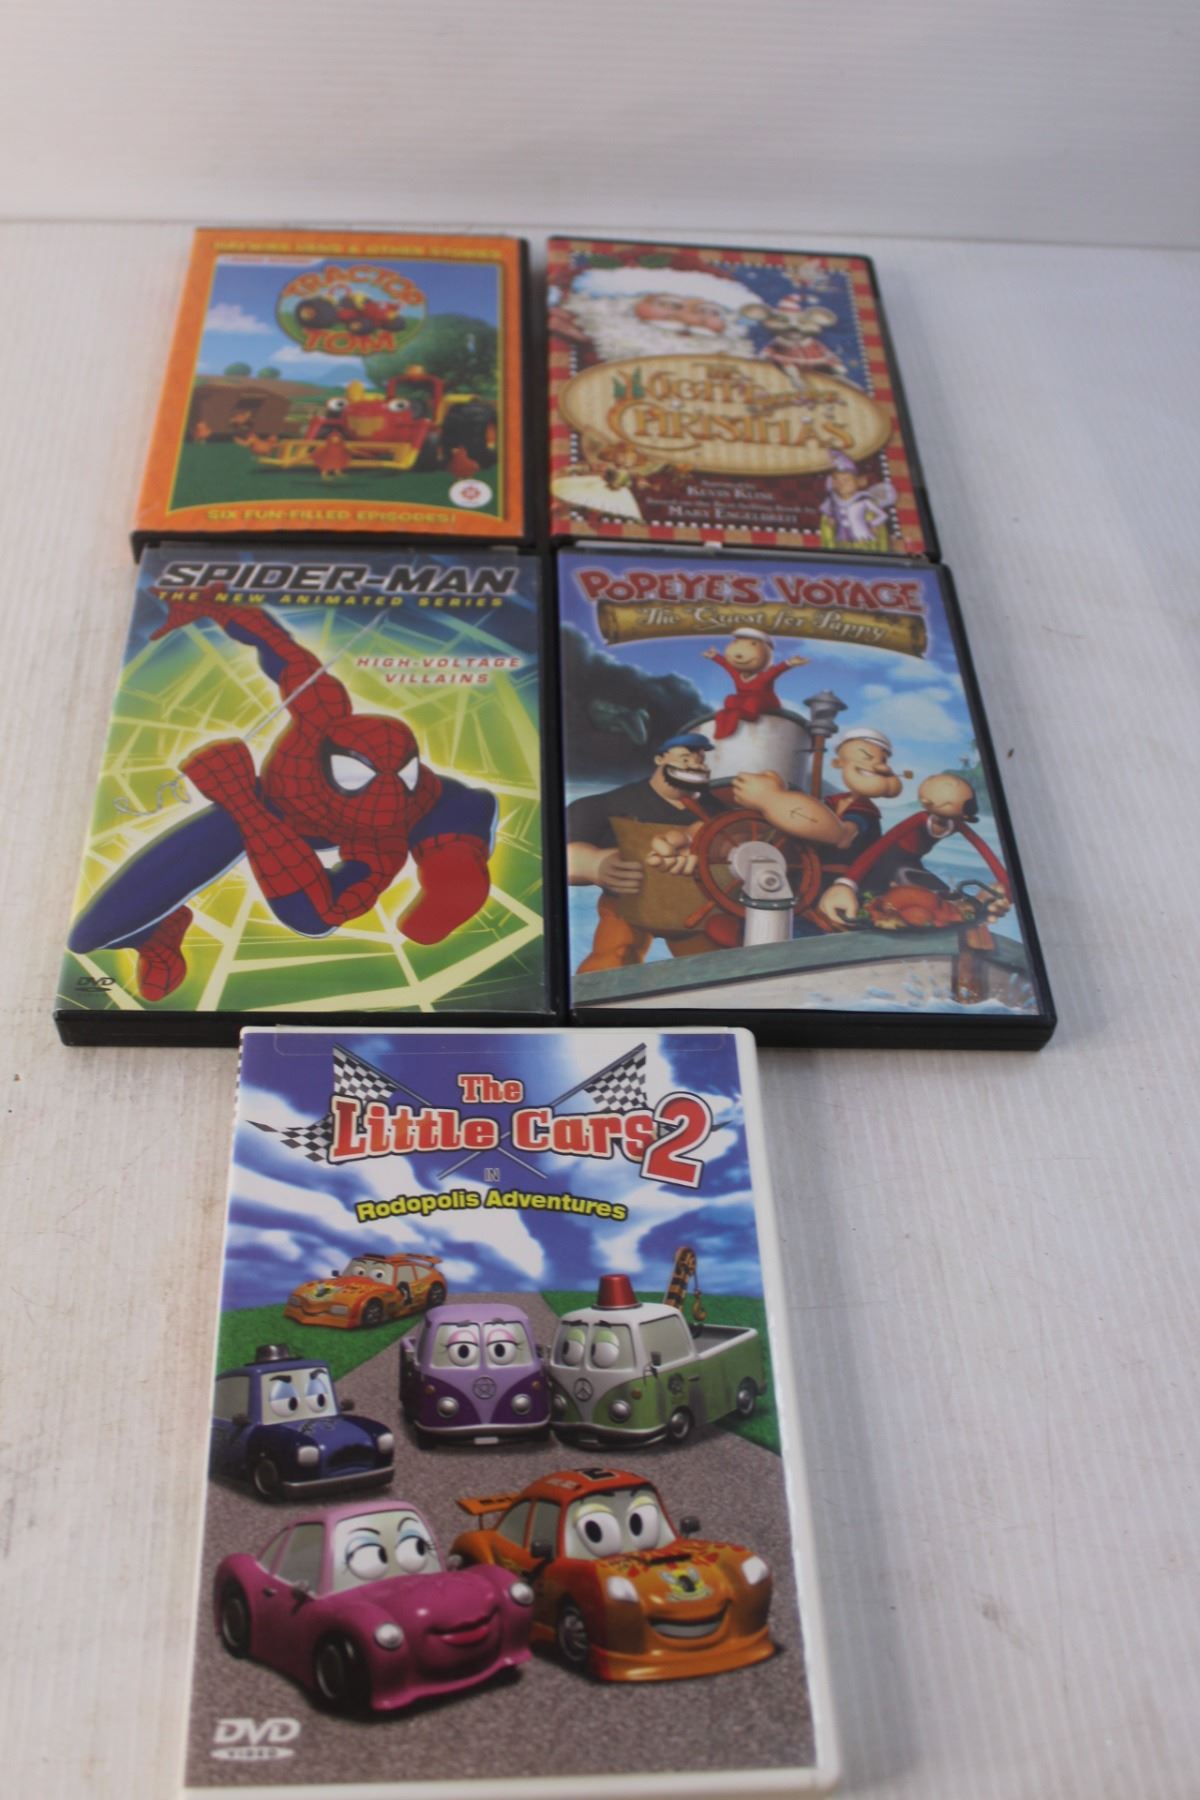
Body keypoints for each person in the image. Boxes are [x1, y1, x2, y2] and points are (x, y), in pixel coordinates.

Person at [566, 734, 720, 969]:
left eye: (700, 760)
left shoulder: (716, 810)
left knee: (710, 967)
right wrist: (595, 864)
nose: (694, 765)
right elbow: (557, 856)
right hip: (627, 907)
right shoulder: (610, 804)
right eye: (685, 758)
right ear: (660, 759)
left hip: (692, 911)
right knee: (614, 957)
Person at [817, 772, 1010, 927]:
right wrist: (847, 882)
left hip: (910, 861)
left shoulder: (957, 824)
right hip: (888, 860)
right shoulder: (919, 819)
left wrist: (1007, 886)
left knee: (941, 894)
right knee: (879, 895)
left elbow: (985, 851)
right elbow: (880, 847)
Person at [703, 629, 808, 740]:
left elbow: (777, 670)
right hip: (743, 701)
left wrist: (790, 663)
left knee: (752, 701)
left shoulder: (764, 676)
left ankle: (744, 716)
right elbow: (726, 665)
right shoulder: (737, 674)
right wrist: (714, 656)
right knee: (730, 699)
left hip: (764, 702)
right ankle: (723, 731)